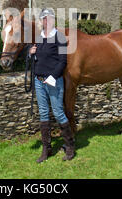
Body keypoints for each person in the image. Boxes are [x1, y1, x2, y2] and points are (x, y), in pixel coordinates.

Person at [29, 8, 75, 162]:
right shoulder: (39, 37)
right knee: (43, 113)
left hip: (53, 81)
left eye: (48, 18)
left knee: (58, 112)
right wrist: (31, 53)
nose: (45, 21)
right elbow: (36, 57)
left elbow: (63, 61)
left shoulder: (60, 37)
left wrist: (52, 77)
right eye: (43, 18)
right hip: (39, 80)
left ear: (53, 20)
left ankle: (69, 146)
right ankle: (46, 149)